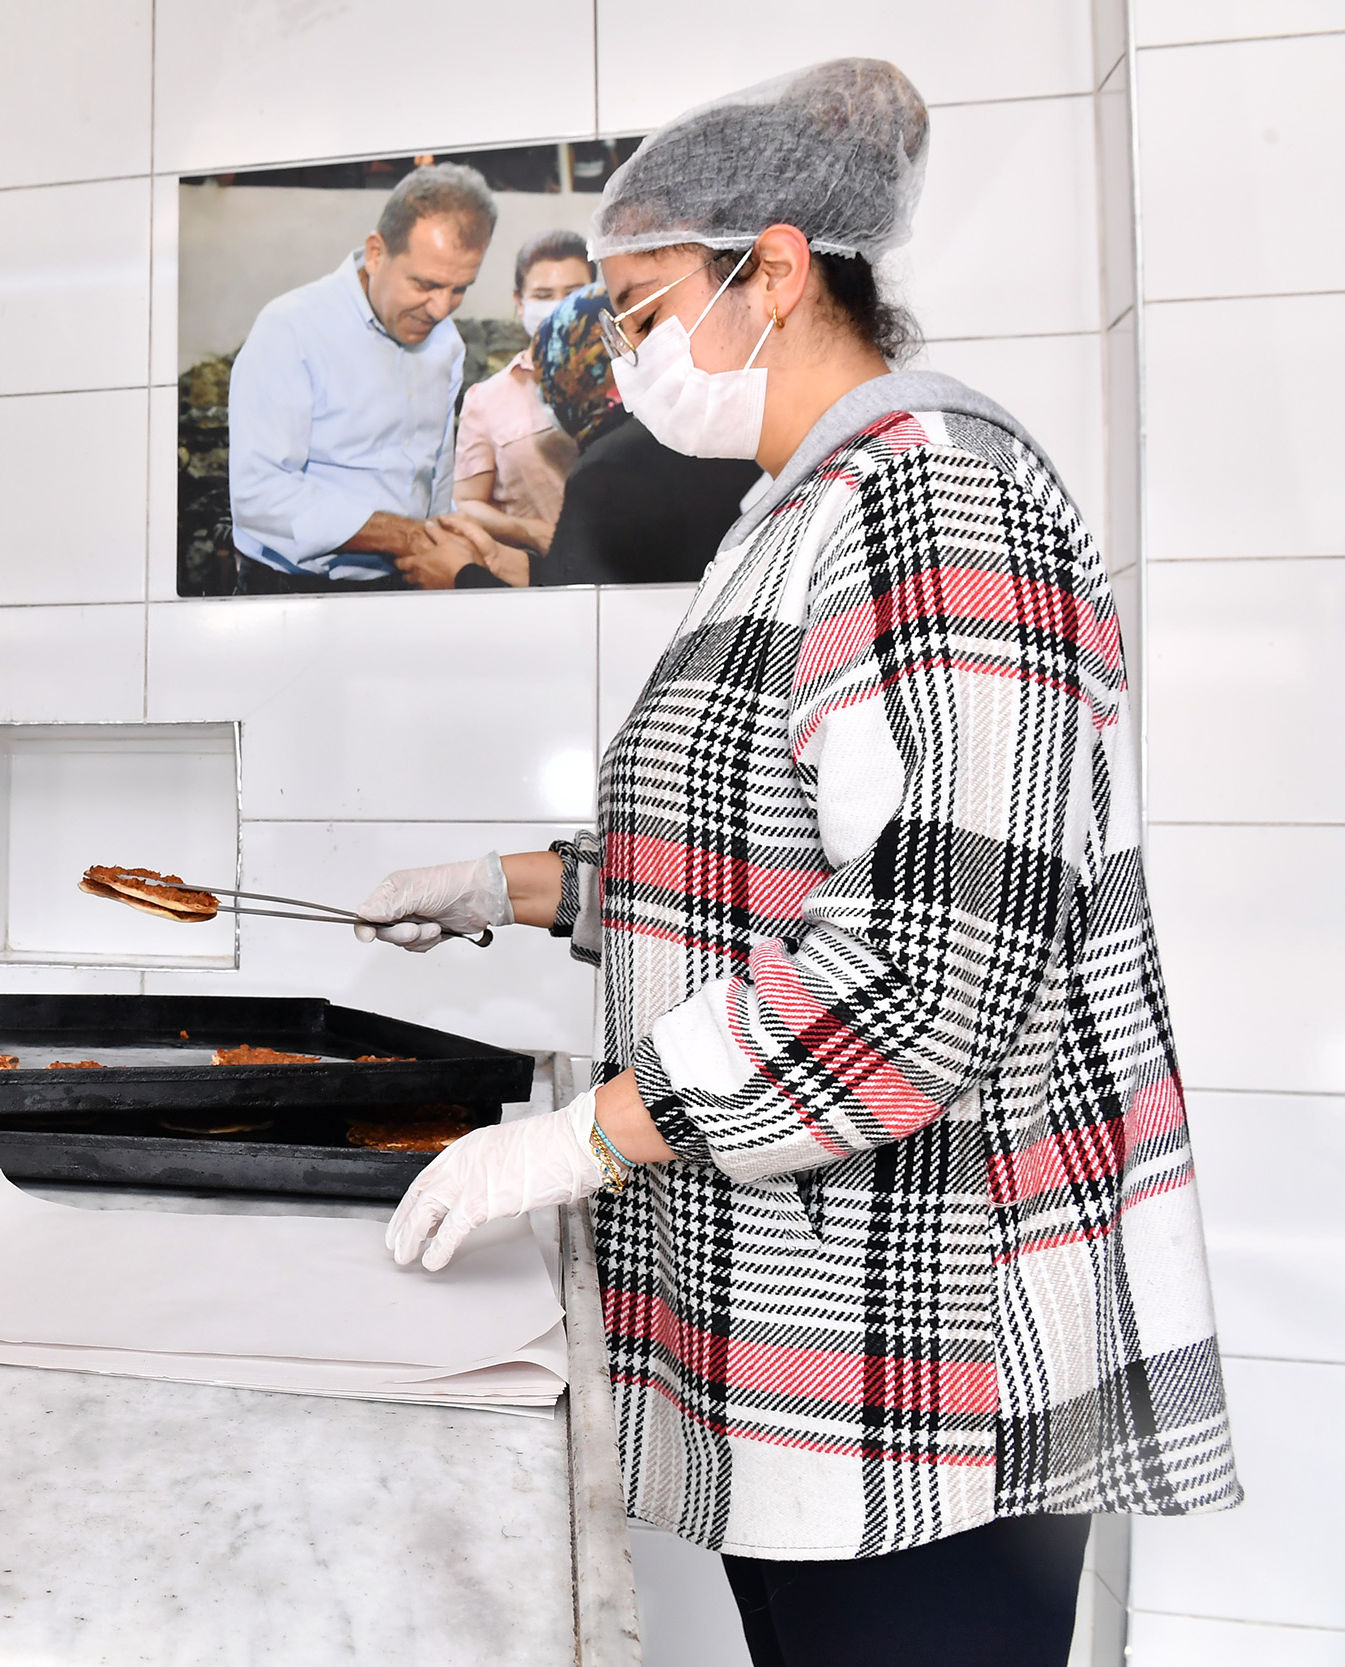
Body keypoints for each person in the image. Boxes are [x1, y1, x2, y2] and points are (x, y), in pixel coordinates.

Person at [350, 59, 1238, 1667]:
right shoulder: (797, 509)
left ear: (771, 269)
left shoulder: (940, 495)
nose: (623, 357)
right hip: (807, 1346)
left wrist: (584, 1138)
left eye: (639, 310)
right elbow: (756, 854)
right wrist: (505, 885)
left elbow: (930, 961)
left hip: (929, 1362)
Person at [225, 164, 511, 592]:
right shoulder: (292, 329)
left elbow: (435, 476)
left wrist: (442, 543)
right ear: (376, 253)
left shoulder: (446, 343)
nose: (440, 309)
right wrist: (404, 536)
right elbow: (259, 493)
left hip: (404, 581)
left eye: (459, 289)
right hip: (291, 588)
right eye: (425, 284)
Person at [526, 283, 762, 585]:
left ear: (565, 372)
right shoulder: (704, 428)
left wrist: (472, 570)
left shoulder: (603, 472)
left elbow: (577, 600)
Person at [451, 230, 594, 564]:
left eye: (574, 293)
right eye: (543, 295)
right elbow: (467, 502)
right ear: (520, 303)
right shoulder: (486, 399)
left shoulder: (630, 377)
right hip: (534, 569)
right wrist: (530, 532)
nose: (560, 306)